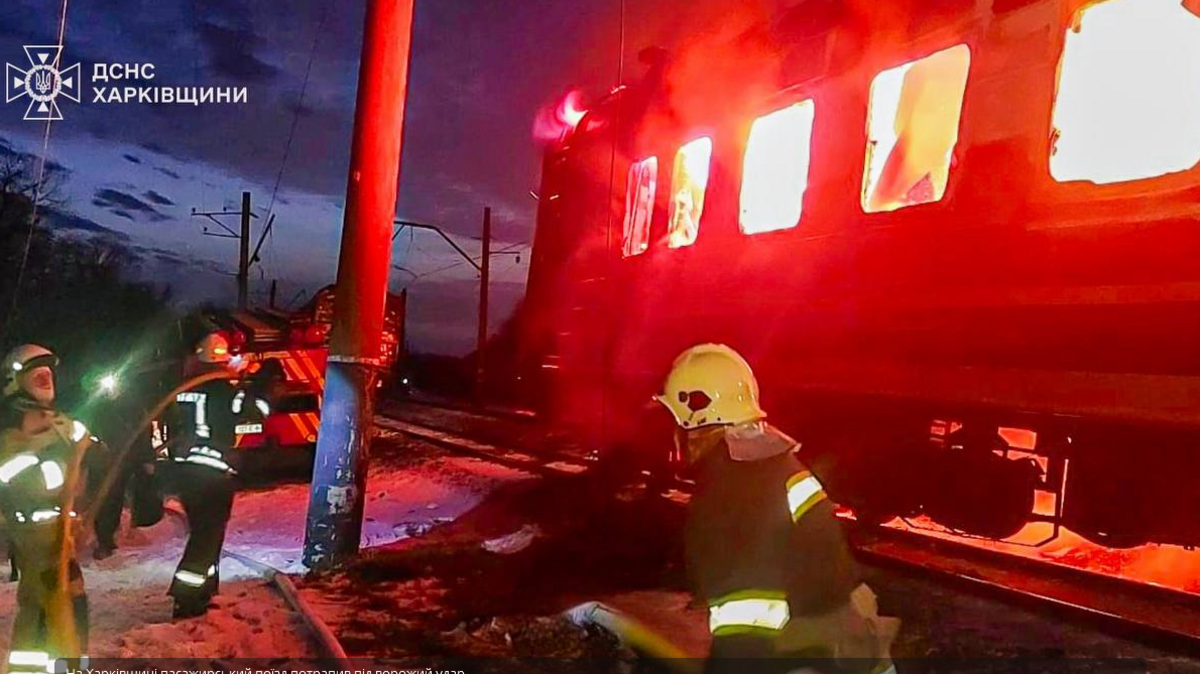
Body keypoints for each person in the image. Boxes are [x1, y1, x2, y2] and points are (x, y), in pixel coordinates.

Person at [656, 344, 898, 674]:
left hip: (818, 658)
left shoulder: (730, 493)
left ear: (694, 420)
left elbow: (745, 630)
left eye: (673, 421)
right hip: (856, 645)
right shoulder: (777, 463)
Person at [0, 344, 97, 672]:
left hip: (62, 535)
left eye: (48, 372)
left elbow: (94, 448)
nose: (46, 378)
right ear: (15, 381)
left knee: (61, 607)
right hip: (34, 537)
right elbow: (14, 477)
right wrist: (43, 450)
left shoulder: (61, 423)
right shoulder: (9, 429)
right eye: (36, 374)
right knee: (52, 608)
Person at [158, 333, 239, 618]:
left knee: (206, 534)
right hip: (213, 475)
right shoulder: (223, 391)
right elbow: (248, 414)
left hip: (187, 472)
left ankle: (204, 590)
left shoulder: (185, 390)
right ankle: (186, 596)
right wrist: (265, 391)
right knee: (207, 536)